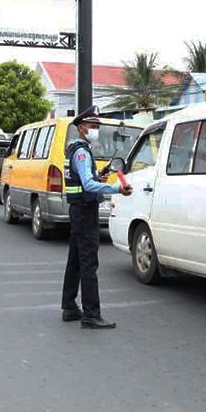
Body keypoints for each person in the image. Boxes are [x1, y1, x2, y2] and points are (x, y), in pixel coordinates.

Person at [61, 106, 133, 330]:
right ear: (82, 127)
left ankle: (70, 307)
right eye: (93, 126)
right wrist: (116, 188)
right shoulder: (81, 152)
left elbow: (84, 179)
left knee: (75, 261)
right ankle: (91, 314)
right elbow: (88, 185)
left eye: (97, 127)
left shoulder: (75, 149)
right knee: (88, 263)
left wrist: (98, 175)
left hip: (79, 211)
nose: (96, 130)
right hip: (85, 212)